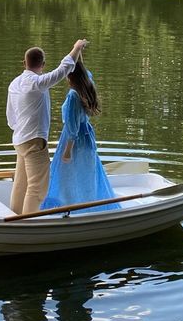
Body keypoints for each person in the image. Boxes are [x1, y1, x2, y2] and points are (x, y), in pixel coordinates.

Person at [6, 39, 88, 215]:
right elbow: (64, 69)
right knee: (38, 188)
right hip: (34, 142)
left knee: (21, 184)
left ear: (24, 63)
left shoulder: (14, 84)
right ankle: (28, 225)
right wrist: (76, 47)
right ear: (43, 64)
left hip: (19, 141)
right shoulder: (38, 83)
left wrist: (20, 130)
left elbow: (10, 118)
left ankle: (14, 217)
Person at [41, 57, 121, 214]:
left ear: (71, 75)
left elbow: (72, 126)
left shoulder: (73, 95)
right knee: (87, 173)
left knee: (67, 175)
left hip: (74, 141)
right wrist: (78, 54)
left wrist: (67, 150)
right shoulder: (87, 86)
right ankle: (89, 205)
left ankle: (70, 208)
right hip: (87, 139)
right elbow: (85, 72)